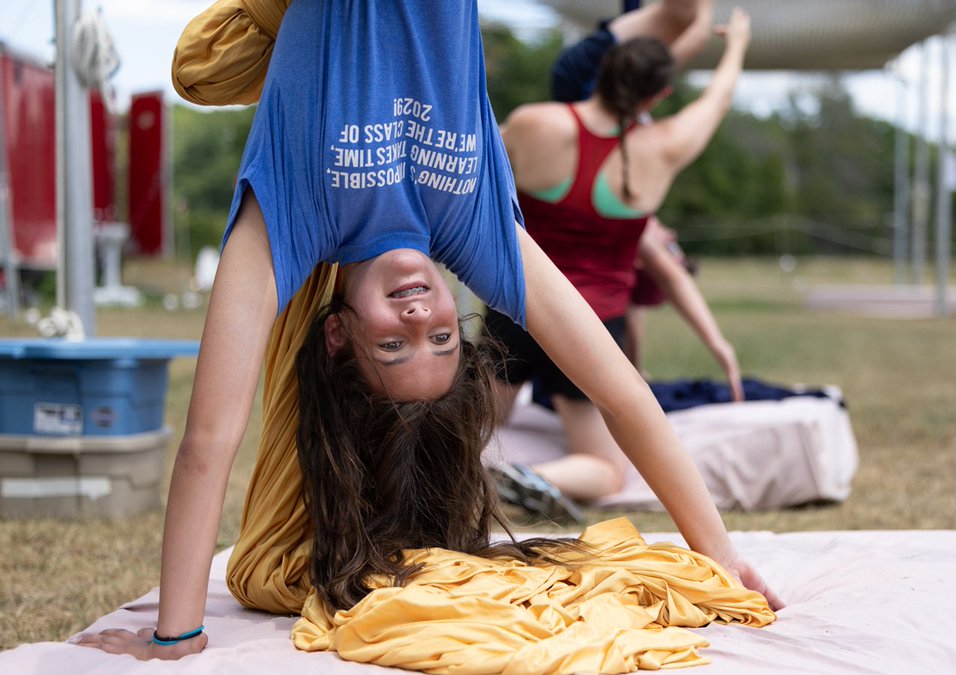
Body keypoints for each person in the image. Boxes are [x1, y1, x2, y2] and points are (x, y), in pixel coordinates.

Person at [77, 0, 778, 661]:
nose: (420, 319)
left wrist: (176, 637)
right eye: (443, 340)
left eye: (392, 344)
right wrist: (719, 551)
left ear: (335, 337)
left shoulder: (292, 225)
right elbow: (623, 394)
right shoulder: (473, 229)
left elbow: (209, 441)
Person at [486, 9, 752, 509]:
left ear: (602, 69)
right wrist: (736, 44)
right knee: (607, 471)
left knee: (472, 426)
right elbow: (719, 100)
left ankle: (468, 469)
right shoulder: (663, 148)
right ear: (657, 97)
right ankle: (518, 475)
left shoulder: (533, 122)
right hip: (590, 328)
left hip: (513, 304)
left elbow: (471, 177)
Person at [551, 0, 737, 385]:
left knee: (682, 18)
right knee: (678, 24)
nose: (673, 242)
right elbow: (666, 281)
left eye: (672, 249)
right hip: (591, 89)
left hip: (580, 83)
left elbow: (668, 277)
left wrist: (731, 37)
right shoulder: (633, 172)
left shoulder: (626, 177)